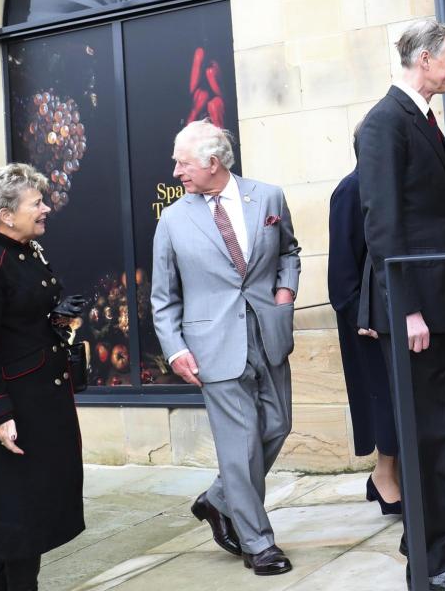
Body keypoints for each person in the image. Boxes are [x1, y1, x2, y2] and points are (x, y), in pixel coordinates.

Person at [358, 20, 445, 591]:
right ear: (422, 60)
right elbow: (384, 226)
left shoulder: (423, 118)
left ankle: (436, 530)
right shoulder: (383, 124)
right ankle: (432, 562)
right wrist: (406, 309)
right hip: (417, 309)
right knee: (428, 433)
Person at [151, 120, 300, 576]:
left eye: (183, 161)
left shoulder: (268, 197)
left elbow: (289, 252)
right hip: (211, 344)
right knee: (240, 446)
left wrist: (284, 295)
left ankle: (218, 499)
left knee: (277, 425)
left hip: (267, 334)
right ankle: (259, 543)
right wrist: (175, 350)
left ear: (213, 162)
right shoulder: (174, 219)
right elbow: (163, 294)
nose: (176, 170)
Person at [0, 163, 86, 591]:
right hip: (16, 410)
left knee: (33, 516)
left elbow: (21, 316)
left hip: (42, 403)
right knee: (20, 521)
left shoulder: (26, 250)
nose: (46, 208)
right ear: (6, 214)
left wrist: (58, 315)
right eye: (37, 203)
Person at [328, 126, 400, 516]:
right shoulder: (350, 190)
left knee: (400, 402)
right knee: (383, 403)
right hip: (365, 320)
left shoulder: (388, 187)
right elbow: (341, 268)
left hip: (392, 312)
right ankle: (383, 476)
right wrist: (362, 315)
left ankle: (391, 476)